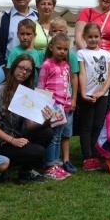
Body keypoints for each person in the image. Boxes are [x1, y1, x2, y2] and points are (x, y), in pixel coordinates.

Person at [0, 54, 55, 183]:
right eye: (21, 68)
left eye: (28, 70)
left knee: (48, 132)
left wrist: (46, 119)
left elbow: (29, 125)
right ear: (13, 67)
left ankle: (25, 171)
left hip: (16, 138)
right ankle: (1, 167)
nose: (23, 72)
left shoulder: (26, 92)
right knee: (38, 152)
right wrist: (12, 141)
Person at [37, 32, 79, 179]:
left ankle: (56, 164)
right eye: (59, 48)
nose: (62, 51)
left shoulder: (67, 65)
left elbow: (68, 86)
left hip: (65, 106)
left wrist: (71, 101)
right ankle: (50, 165)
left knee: (60, 135)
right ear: (51, 47)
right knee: (54, 137)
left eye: (65, 49)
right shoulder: (47, 65)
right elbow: (41, 86)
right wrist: (44, 105)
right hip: (54, 106)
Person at [77, 22, 110, 171]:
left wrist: (102, 91)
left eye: (96, 36)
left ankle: (95, 154)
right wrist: (83, 93)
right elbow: (82, 73)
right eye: (90, 37)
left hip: (102, 95)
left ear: (100, 37)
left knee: (98, 125)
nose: (93, 39)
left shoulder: (106, 54)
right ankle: (87, 157)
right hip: (87, 95)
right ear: (84, 37)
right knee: (86, 126)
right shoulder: (81, 53)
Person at [0, 0, 38, 66]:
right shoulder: (3, 19)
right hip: (10, 67)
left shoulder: (38, 17)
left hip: (35, 67)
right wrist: (2, 64)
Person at [6, 19, 45, 83]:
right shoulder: (14, 52)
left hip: (33, 88)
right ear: (17, 34)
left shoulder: (37, 53)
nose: (25, 37)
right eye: (22, 34)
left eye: (28, 34)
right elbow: (10, 73)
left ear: (34, 35)